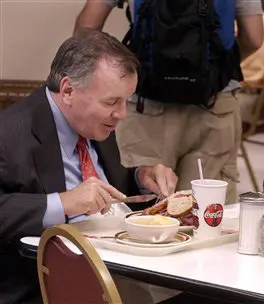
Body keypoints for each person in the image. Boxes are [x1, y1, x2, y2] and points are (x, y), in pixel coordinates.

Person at [0, 30, 178, 304]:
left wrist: (141, 177)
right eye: (111, 102)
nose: (122, 114)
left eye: (125, 100)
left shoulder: (96, 124)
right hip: (42, 285)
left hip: (118, 268)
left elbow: (103, 190)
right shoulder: (11, 133)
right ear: (69, 90)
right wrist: (64, 203)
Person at [74, 0, 264, 204]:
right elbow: (254, 38)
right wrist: (216, 69)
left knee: (143, 212)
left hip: (146, 110)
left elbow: (87, 28)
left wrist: (120, 72)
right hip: (214, 107)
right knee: (208, 213)